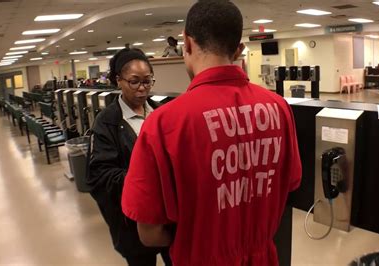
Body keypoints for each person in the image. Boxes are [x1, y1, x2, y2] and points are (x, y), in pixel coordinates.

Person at [122, 1, 302, 265]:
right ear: (239, 49)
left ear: (187, 43)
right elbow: (288, 186)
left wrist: (195, 237)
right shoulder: (279, 108)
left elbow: (149, 233)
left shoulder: (163, 124)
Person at [88, 48, 172, 266]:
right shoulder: (107, 122)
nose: (142, 89)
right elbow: (100, 175)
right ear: (119, 81)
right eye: (134, 82)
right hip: (132, 223)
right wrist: (145, 180)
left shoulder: (160, 113)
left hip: (168, 216)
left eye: (148, 81)